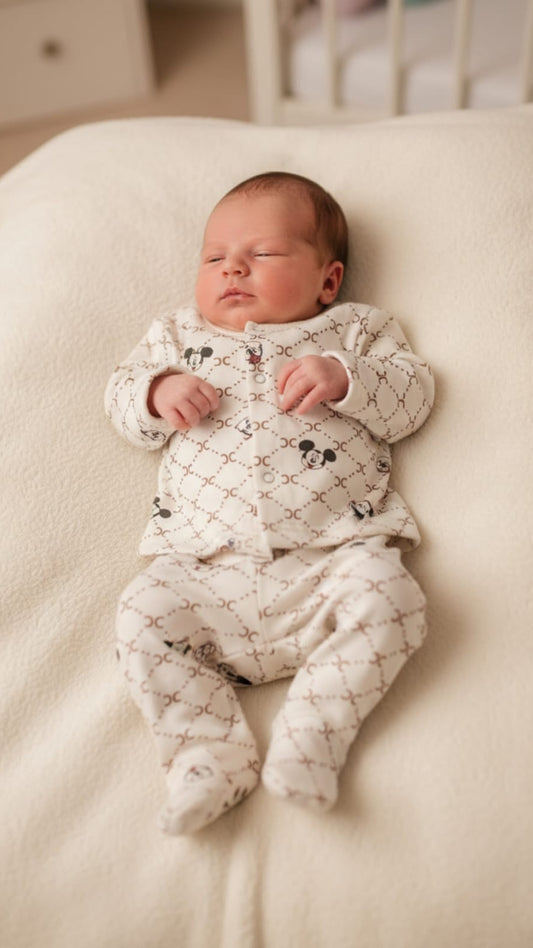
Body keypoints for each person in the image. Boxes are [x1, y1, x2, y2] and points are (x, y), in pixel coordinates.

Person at [105, 171, 434, 835]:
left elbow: (411, 398)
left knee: (394, 599)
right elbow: (120, 398)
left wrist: (343, 378)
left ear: (327, 280)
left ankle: (312, 734)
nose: (231, 266)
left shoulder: (357, 331)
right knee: (141, 615)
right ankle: (207, 757)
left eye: (263, 254)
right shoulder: (176, 336)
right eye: (214, 256)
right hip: (201, 570)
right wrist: (155, 393)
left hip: (331, 560)